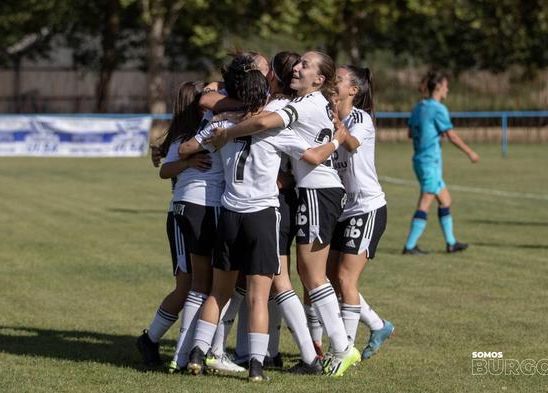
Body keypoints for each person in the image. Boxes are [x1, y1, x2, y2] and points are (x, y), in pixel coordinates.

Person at [179, 62, 346, 382]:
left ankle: (198, 354)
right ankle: (256, 366)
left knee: (218, 293)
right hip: (261, 216)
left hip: (229, 214)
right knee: (258, 295)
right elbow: (313, 156)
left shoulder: (221, 125)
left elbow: (190, 146)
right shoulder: (275, 130)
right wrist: (336, 140)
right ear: (266, 96)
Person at [136, 81, 211, 369]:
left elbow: (160, 154)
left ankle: (187, 348)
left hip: (198, 211)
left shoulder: (196, 133)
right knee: (186, 285)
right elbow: (165, 169)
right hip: (181, 216)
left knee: (198, 284)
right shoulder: (183, 136)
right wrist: (188, 163)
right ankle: (151, 339)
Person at [327, 65, 394, 362]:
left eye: (337, 80)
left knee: (344, 278)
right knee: (329, 277)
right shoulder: (325, 113)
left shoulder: (361, 119)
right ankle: (379, 326)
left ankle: (345, 351)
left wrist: (335, 122)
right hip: (343, 210)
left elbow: (351, 144)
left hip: (367, 208)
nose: (332, 83)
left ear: (353, 90)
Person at [403, 70, 479, 255]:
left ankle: (451, 243)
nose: (447, 89)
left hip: (421, 160)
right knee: (425, 202)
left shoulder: (418, 107)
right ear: (438, 87)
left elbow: (410, 133)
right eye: (445, 85)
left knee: (445, 200)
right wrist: (470, 152)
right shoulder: (438, 108)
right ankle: (410, 246)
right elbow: (451, 135)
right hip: (429, 162)